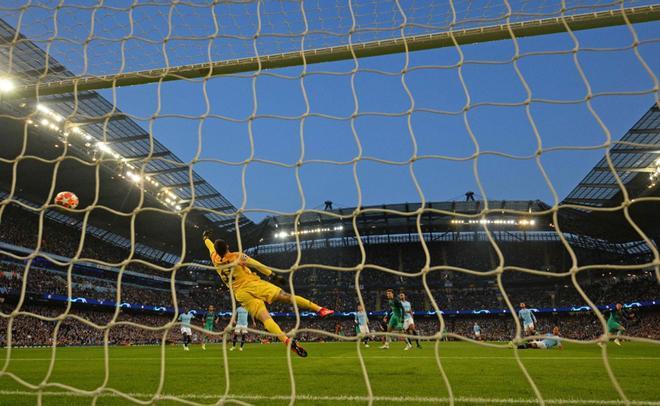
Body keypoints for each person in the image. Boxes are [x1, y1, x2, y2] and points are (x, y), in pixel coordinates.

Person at [202, 230, 334, 357]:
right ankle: (320, 309)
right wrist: (273, 275)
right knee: (286, 296)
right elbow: (256, 264)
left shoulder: (214, 258)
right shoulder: (236, 256)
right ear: (228, 247)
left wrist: (206, 238)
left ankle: (285, 340)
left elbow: (210, 247)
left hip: (240, 294)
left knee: (265, 318)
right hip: (253, 284)